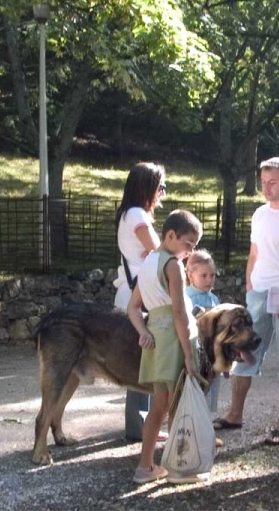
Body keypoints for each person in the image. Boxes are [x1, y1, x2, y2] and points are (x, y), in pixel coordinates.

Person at [212, 157, 279, 446]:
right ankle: (235, 413)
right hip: (259, 292)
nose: (266, 187)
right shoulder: (259, 214)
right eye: (263, 182)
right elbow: (254, 254)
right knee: (243, 352)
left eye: (272, 182)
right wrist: (250, 286)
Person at [127, 210, 203, 484]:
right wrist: (188, 356)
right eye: (188, 244)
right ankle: (179, 468)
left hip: (157, 339)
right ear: (171, 235)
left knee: (160, 405)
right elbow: (180, 315)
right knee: (177, 406)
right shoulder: (172, 265)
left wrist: (144, 331)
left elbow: (132, 308)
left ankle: (145, 466)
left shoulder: (148, 263)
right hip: (172, 336)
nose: (190, 251)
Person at [114, 162, 167, 442]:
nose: (162, 194)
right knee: (143, 359)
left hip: (131, 293)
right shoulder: (137, 215)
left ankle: (141, 423)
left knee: (142, 358)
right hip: (139, 297)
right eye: (160, 187)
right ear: (146, 187)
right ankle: (140, 426)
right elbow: (160, 254)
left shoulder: (128, 213)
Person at [185, 249, 221, 414]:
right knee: (196, 388)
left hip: (213, 352)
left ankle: (208, 423)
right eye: (204, 276)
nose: (209, 280)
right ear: (191, 275)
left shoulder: (214, 299)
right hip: (195, 350)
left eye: (212, 275)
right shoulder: (186, 297)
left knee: (212, 388)